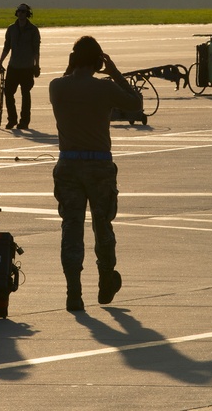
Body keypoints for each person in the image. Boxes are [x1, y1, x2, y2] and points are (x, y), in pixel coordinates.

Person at [49, 36, 142, 312]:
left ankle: (73, 292)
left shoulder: (57, 87)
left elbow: (68, 78)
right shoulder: (105, 88)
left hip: (68, 165)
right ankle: (105, 278)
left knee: (71, 228)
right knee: (102, 225)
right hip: (99, 166)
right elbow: (136, 104)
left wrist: (71, 66)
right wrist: (115, 74)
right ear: (98, 61)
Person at [0, 3, 41, 129]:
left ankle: (24, 121)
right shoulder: (11, 29)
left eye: (23, 11)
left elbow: (36, 49)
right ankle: (12, 119)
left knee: (25, 94)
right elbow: (7, 47)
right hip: (13, 67)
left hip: (27, 67)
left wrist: (36, 66)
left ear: (27, 14)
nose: (21, 13)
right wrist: (0, 62)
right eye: (19, 11)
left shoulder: (33, 30)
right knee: (8, 93)